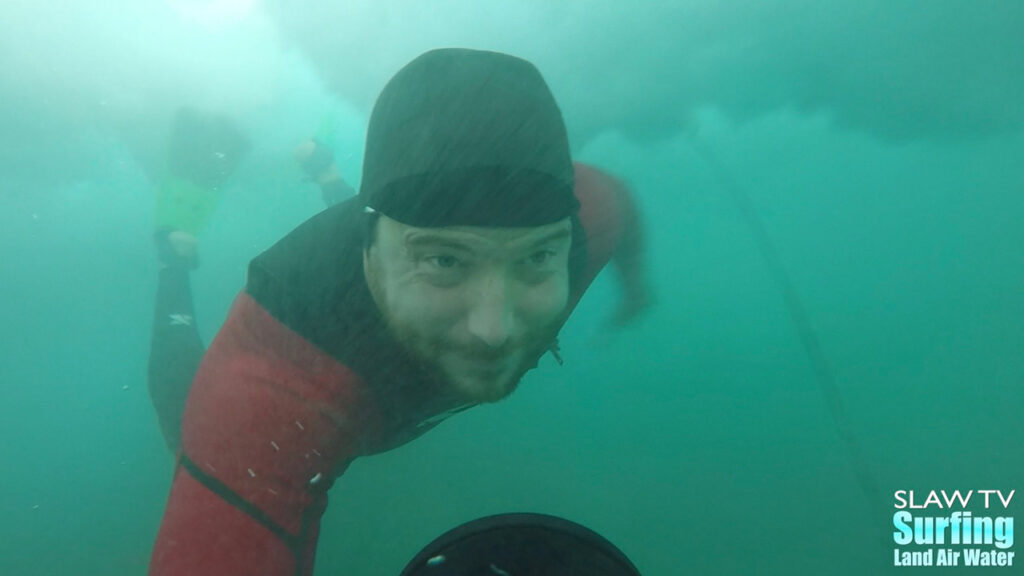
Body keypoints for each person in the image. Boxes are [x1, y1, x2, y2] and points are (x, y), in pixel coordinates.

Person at [147, 48, 650, 576]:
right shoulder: (273, 387)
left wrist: (636, 288)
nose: (495, 330)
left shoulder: (584, 222)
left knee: (396, 217)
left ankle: (331, 179)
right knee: (183, 422)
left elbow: (620, 200)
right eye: (445, 261)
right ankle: (172, 263)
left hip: (383, 235)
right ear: (367, 257)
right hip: (309, 330)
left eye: (537, 256)